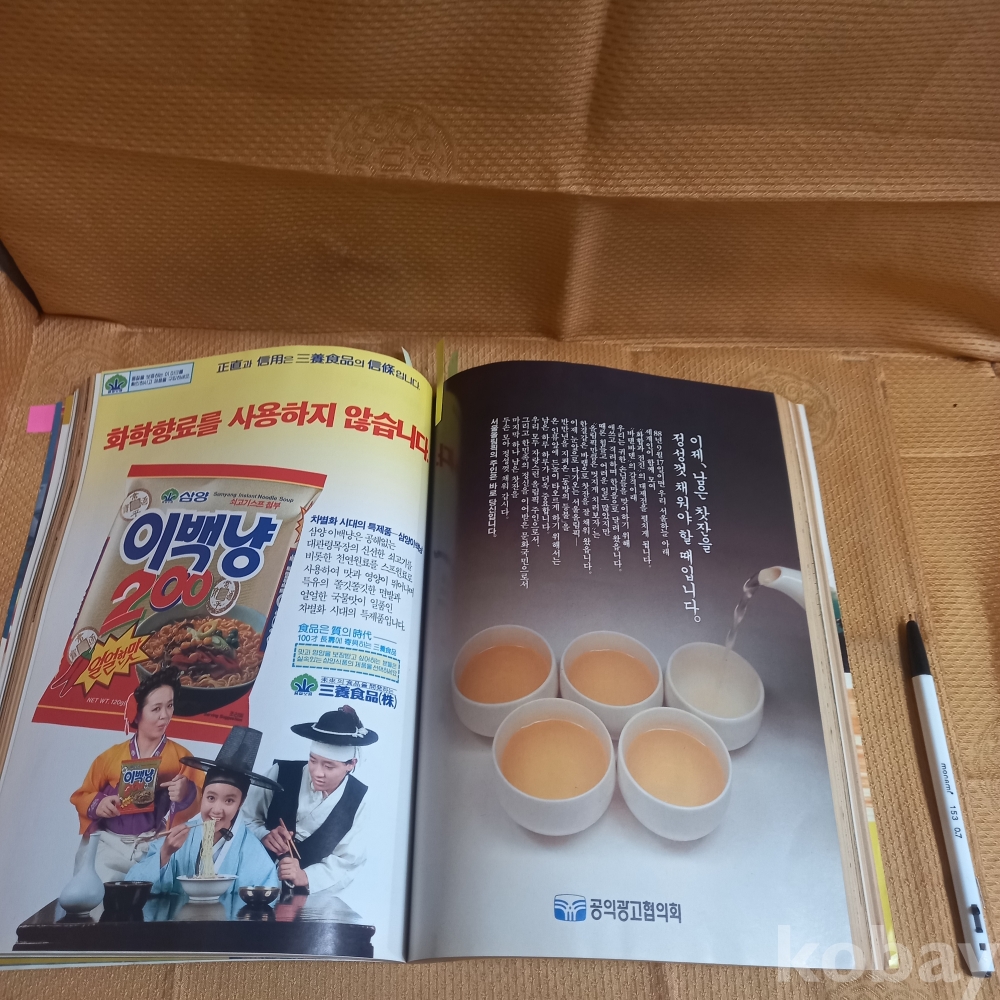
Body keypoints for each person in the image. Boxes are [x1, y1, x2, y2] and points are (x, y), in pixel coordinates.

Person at [70, 667, 203, 883]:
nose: (165, 715)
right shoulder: (110, 757)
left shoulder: (182, 757)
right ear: (137, 712)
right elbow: (82, 795)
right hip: (109, 845)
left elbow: (204, 798)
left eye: (169, 706)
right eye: (156, 708)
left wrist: (187, 792)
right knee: (97, 891)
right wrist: (98, 803)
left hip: (154, 845)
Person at [125, 726, 280, 894]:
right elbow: (132, 885)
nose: (217, 810)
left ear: (241, 802)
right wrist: (165, 854)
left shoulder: (253, 852)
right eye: (211, 798)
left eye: (229, 801)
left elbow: (265, 898)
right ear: (202, 795)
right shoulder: (178, 837)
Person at [243, 705, 376, 894]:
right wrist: (262, 834)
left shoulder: (358, 800)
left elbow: (348, 860)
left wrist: (306, 876)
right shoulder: (281, 773)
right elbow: (244, 817)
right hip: (255, 882)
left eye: (329, 766)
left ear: (350, 764)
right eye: (313, 761)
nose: (317, 772)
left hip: (309, 895)